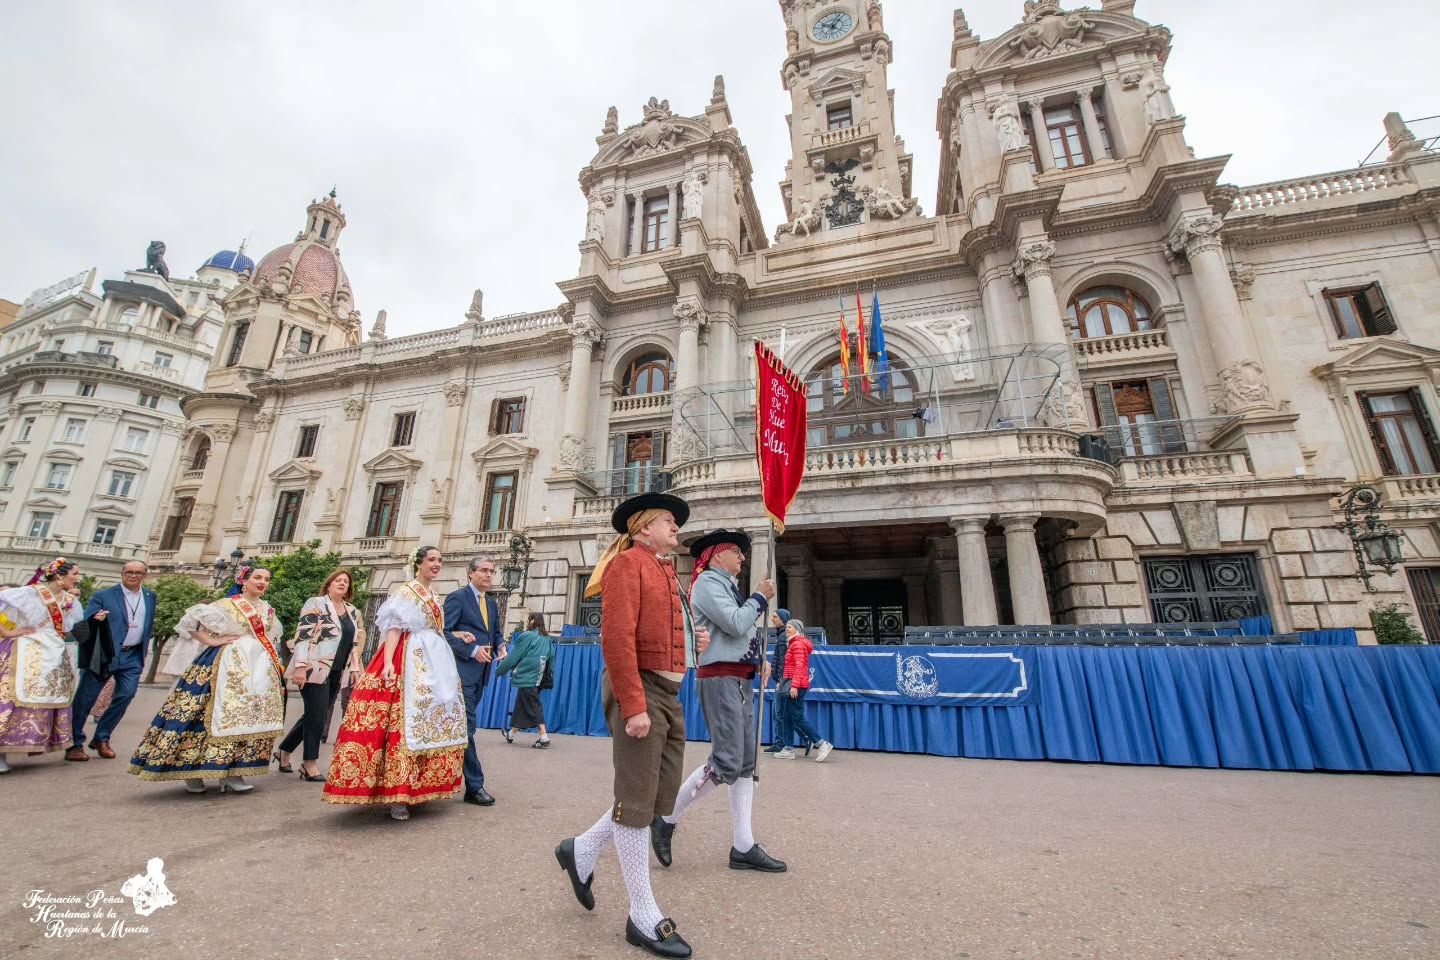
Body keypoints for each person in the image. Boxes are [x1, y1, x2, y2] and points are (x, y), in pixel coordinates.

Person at [554, 492, 710, 959]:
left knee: (651, 795)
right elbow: (617, 638)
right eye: (668, 521)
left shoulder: (666, 569)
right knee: (639, 800)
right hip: (640, 689)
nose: (676, 527)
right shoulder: (628, 565)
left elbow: (663, 631)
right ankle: (642, 914)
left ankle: (580, 850)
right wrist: (633, 705)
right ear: (643, 528)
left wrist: (694, 640)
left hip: (667, 692)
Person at [651, 529, 785, 876]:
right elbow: (736, 622)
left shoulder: (725, 585)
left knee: (744, 763)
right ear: (714, 556)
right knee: (727, 762)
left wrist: (758, 658)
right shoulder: (709, 584)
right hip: (720, 677)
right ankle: (666, 818)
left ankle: (743, 845)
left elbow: (742, 632)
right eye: (736, 552)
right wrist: (759, 596)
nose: (743, 556)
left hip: (739, 676)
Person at [324, 546, 467, 821]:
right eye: (432, 560)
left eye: (439, 560)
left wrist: (457, 634)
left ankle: (418, 786)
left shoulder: (433, 594)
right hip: (410, 656)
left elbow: (433, 627)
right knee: (402, 722)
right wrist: (388, 661)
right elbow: (394, 628)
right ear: (419, 563)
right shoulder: (407, 591)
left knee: (431, 718)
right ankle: (397, 792)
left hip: (433, 656)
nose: (437, 564)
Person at [128, 565, 286, 793]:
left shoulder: (266, 609)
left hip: (256, 668)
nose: (262, 582)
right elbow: (190, 624)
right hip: (224, 665)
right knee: (203, 715)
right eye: (257, 577)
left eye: (267, 579)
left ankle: (232, 773)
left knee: (243, 719)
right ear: (244, 581)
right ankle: (190, 771)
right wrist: (212, 641)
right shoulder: (226, 604)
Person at [274, 570, 365, 782]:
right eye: (338, 580)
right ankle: (309, 764)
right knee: (317, 716)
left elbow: (353, 642)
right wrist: (299, 666)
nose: (342, 583)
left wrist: (354, 668)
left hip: (336, 670)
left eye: (346, 581)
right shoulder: (316, 603)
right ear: (329, 584)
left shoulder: (351, 610)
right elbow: (303, 635)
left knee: (315, 714)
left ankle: (285, 750)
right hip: (313, 668)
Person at [0, 558, 85, 773]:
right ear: (59, 575)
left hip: (53, 653)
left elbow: (67, 628)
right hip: (25, 650)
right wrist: (7, 631)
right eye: (74, 574)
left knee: (40, 700)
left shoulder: (70, 600)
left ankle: (26, 742)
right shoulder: (30, 593)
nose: (77, 578)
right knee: (9, 699)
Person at [70, 561, 155, 761]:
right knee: (85, 699)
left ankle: (102, 737)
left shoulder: (150, 596)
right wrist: (95, 619)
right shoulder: (104, 595)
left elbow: (147, 623)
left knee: (126, 694)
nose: (133, 576)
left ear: (144, 575)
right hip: (105, 653)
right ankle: (75, 743)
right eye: (129, 572)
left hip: (132, 655)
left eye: (138, 573)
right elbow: (86, 622)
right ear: (122, 573)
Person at [442, 555, 505, 807]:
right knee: (467, 729)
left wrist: (501, 645)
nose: (489, 575)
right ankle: (474, 786)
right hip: (460, 674)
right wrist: (470, 651)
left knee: (462, 729)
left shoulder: (491, 603)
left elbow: (496, 632)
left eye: (492, 571)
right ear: (470, 573)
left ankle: (443, 777)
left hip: (482, 675)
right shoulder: (457, 598)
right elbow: (443, 633)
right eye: (483, 571)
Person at [774, 619, 832, 762]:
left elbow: (800, 666)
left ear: (797, 629)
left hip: (797, 686)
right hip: (793, 684)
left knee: (797, 717)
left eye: (790, 627)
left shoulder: (798, 644)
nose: (787, 629)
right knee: (787, 717)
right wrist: (782, 683)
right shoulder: (793, 643)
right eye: (786, 626)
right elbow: (790, 667)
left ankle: (821, 743)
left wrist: (794, 685)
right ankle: (788, 748)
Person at [496, 612, 555, 748]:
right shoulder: (546, 639)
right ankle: (511, 734)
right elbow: (552, 659)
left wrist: (499, 670)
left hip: (527, 677)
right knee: (522, 706)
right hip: (539, 679)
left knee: (534, 706)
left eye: (529, 619)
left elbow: (514, 656)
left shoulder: (527, 636)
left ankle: (544, 737)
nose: (527, 622)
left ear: (533, 621)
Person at [762, 607, 790, 755]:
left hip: (782, 680)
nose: (772, 619)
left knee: (780, 713)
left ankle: (783, 743)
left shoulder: (784, 636)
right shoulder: (782, 635)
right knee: (780, 713)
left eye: (775, 617)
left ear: (782, 619)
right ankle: (780, 742)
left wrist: (780, 679)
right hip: (781, 679)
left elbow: (783, 661)